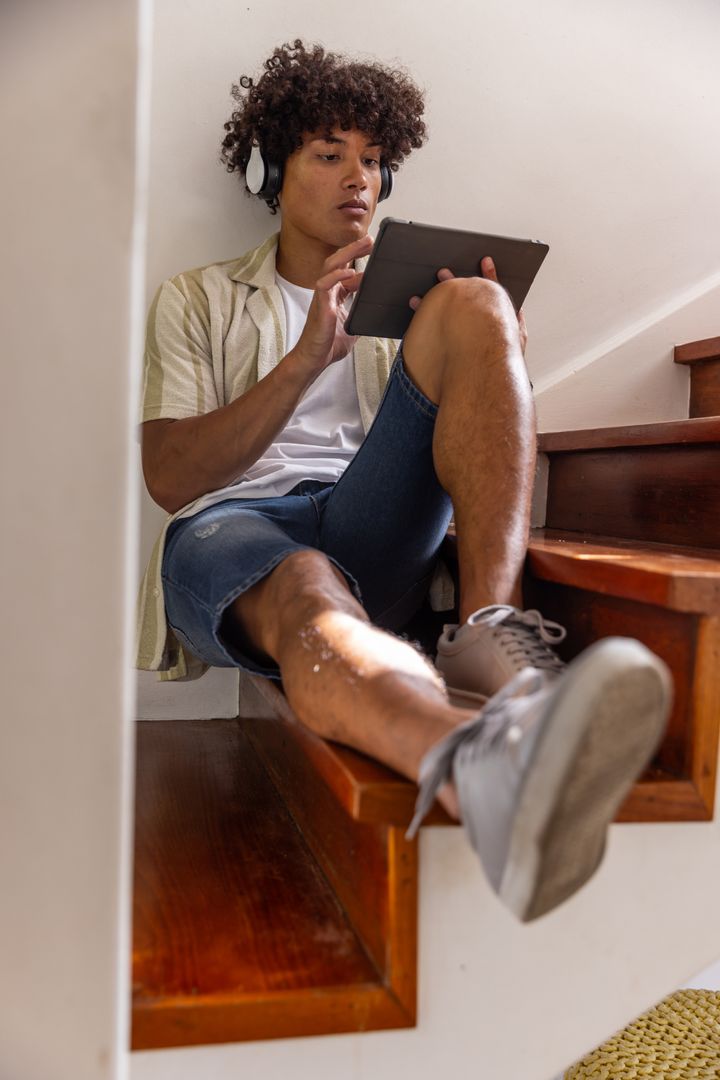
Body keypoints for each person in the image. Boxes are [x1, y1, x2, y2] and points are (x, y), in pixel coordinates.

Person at [137, 39, 671, 922]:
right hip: (231, 534)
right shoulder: (197, 299)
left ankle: (487, 633)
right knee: (306, 582)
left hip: (368, 522)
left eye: (376, 161)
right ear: (275, 168)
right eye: (330, 153)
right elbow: (169, 476)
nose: (361, 179)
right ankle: (479, 768)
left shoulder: (407, 304)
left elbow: (465, 439)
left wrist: (492, 353)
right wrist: (307, 360)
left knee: (479, 303)